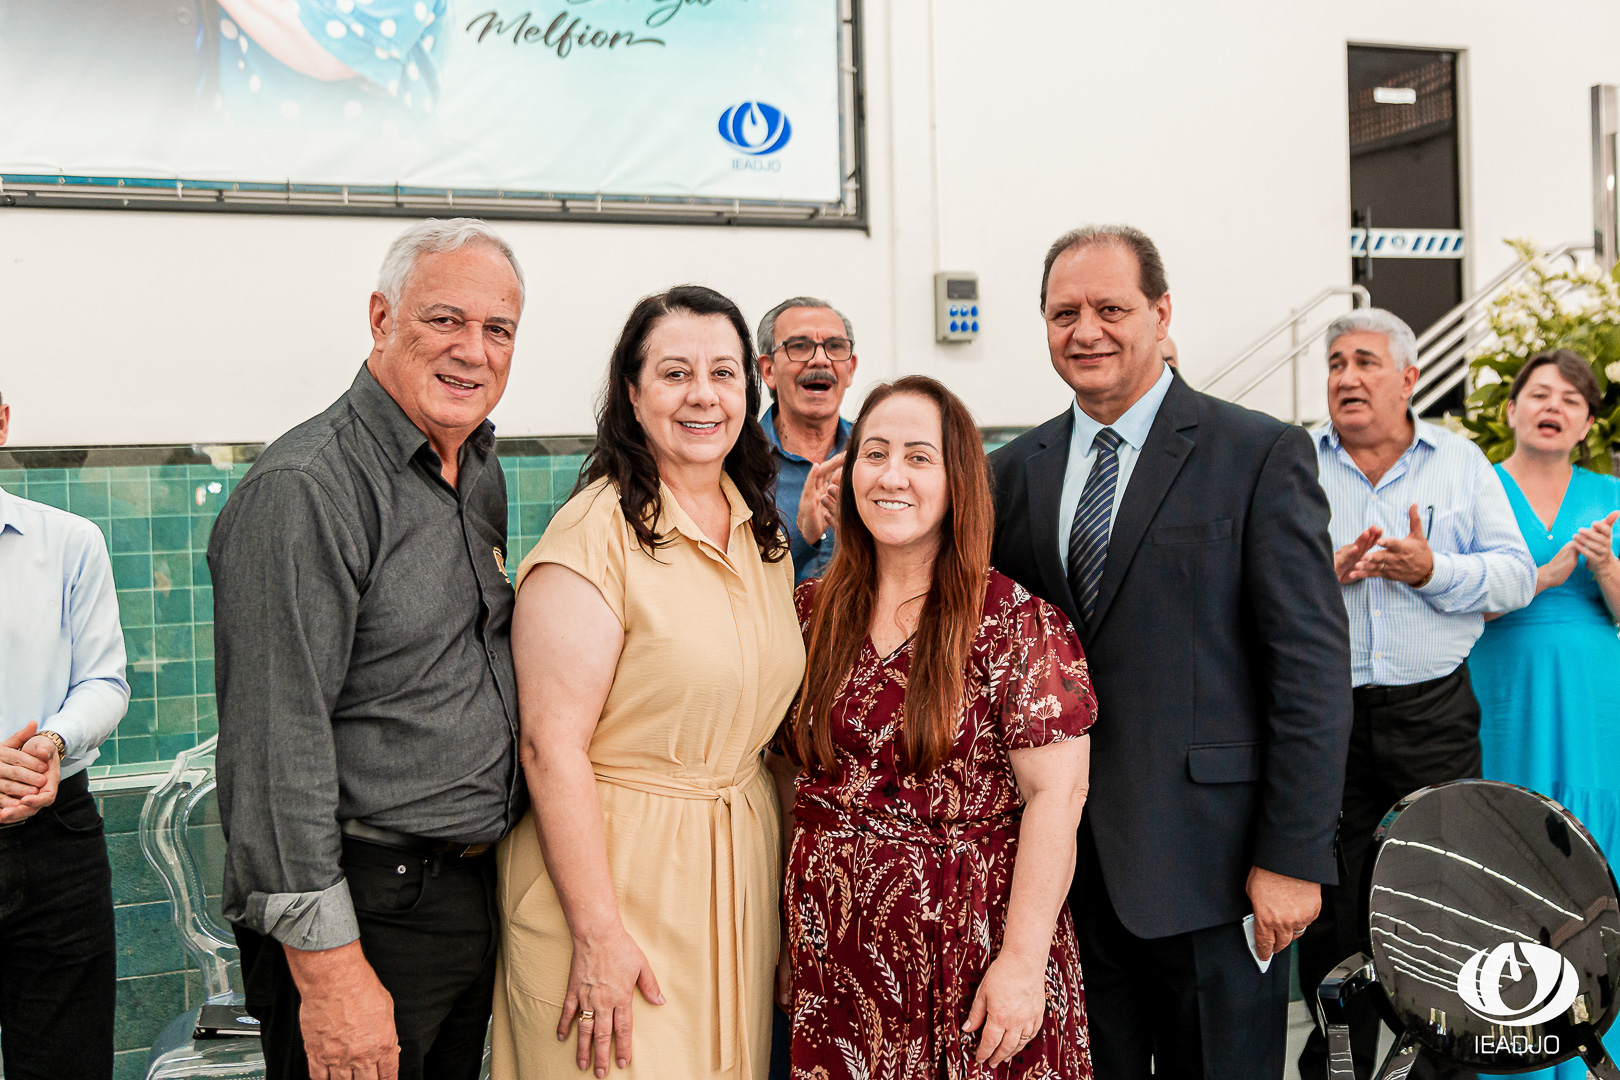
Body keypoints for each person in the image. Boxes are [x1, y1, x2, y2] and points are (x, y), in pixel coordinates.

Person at [989, 225, 1353, 1079]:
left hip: (1216, 871)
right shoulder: (1011, 472)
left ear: (1160, 313)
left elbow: (1308, 672)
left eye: (1111, 308)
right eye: (1063, 312)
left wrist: (1294, 857)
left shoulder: (1258, 454)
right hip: (1060, 881)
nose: (1087, 331)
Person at [209, 218, 527, 1080]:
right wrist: (333, 974)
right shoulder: (307, 489)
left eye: (498, 329)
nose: (473, 350)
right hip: (360, 906)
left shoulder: (476, 472)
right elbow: (276, 751)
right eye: (445, 320)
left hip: (460, 895)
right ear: (382, 317)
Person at [491, 285, 803, 1080]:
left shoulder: (759, 530)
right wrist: (598, 935)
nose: (703, 394)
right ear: (632, 396)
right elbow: (547, 746)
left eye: (724, 373)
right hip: (616, 879)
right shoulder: (593, 536)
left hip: (735, 868)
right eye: (674, 373)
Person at [775, 375, 1097, 1079]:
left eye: (919, 457)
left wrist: (1021, 963)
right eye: (875, 453)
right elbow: (783, 775)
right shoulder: (808, 614)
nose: (893, 476)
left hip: (974, 956)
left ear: (959, 482)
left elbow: (1057, 798)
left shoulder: (1017, 624)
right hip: (834, 960)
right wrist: (786, 936)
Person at [1296, 308, 1536, 1080]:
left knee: (1439, 903)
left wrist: (1433, 572)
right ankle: (1339, 1065)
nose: (1346, 377)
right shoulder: (1294, 462)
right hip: (1324, 717)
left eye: (1365, 361)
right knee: (1335, 911)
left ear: (1409, 378)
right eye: (1335, 363)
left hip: (1431, 712)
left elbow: (1516, 576)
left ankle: (1440, 1068)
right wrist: (1316, 578)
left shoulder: (1460, 462)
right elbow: (1248, 587)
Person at [1470, 349, 1620, 1080]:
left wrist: (1607, 571)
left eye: (1570, 398)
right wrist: (1548, 574)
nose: (1552, 405)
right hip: (1504, 692)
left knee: (1594, 858)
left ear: (1587, 423)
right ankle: (1520, 1053)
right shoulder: (1479, 490)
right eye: (1538, 393)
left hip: (1593, 697)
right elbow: (1463, 600)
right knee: (1510, 847)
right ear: (1512, 410)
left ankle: (1597, 1047)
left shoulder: (1609, 492)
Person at [0, 389, 130, 1080]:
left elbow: (105, 681)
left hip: (57, 842)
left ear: (2, 423)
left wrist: (49, 743)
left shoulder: (70, 542)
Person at [756, 296, 859, 583]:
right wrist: (804, 538)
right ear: (768, 370)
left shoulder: (875, 458)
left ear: (850, 369)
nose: (821, 359)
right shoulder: (734, 463)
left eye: (835, 347)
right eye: (799, 346)